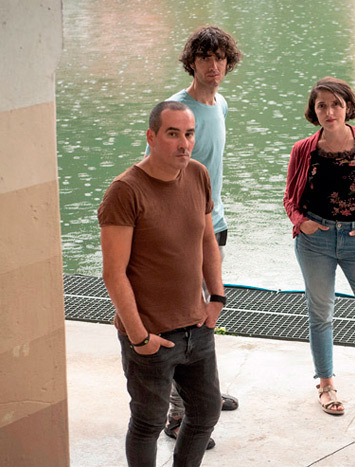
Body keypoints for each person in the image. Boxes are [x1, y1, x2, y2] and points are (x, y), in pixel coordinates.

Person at [99, 101, 225, 467]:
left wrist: (216, 298)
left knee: (206, 412)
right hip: (151, 335)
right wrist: (139, 337)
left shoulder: (198, 174)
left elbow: (207, 240)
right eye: (173, 134)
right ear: (151, 137)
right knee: (148, 423)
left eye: (189, 134)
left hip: (197, 326)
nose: (184, 144)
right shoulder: (125, 191)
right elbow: (114, 273)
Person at [283, 77, 355, 424]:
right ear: (313, 110)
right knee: (320, 314)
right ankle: (326, 385)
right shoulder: (303, 149)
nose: (329, 111)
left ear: (348, 107)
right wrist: (300, 222)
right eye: (322, 105)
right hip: (315, 240)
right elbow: (290, 198)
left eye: (336, 104)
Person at [148, 26, 243, 446]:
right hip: (185, 230)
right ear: (192, 62)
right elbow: (155, 170)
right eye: (205, 57)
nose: (213, 65)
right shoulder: (178, 110)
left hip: (213, 224)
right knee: (184, 320)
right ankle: (177, 415)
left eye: (220, 57)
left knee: (207, 314)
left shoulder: (220, 104)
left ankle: (204, 393)